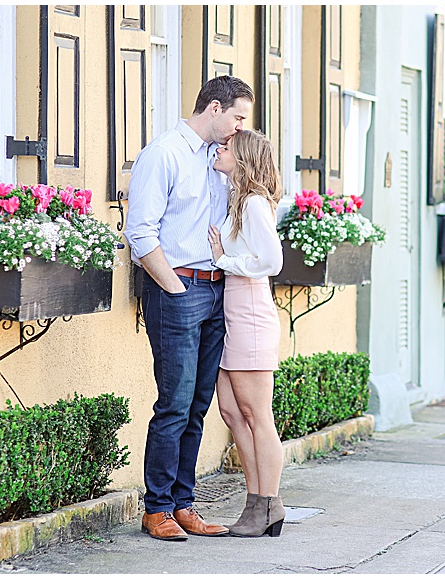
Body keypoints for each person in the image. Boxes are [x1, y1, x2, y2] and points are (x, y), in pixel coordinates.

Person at [124, 76, 254, 542]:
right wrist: (175, 289)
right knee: (174, 405)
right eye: (238, 117)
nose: (241, 127)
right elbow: (140, 232)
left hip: (217, 290)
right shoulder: (164, 154)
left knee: (198, 405)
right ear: (214, 108)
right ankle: (156, 508)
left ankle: (183, 504)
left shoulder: (220, 160)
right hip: (178, 290)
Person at [207, 130, 285, 537]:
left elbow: (271, 261)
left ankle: (266, 504)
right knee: (232, 412)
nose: (220, 149)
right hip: (231, 314)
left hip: (251, 313)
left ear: (244, 159)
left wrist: (225, 261)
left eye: (228, 148)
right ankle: (255, 502)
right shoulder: (237, 199)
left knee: (257, 416)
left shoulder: (254, 203)